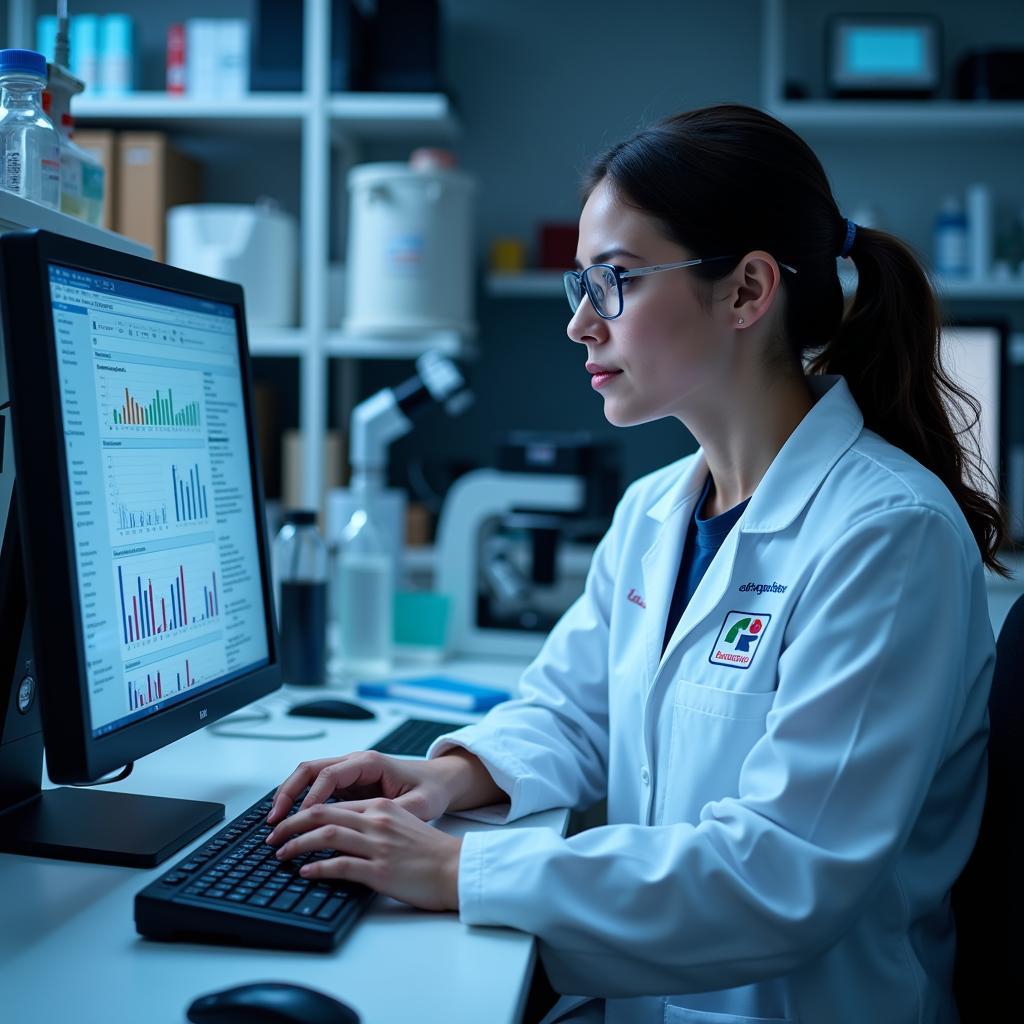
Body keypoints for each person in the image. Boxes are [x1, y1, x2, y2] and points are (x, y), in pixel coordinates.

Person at [265, 104, 1006, 1023]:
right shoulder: (655, 508)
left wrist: (462, 867)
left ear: (746, 292)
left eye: (614, 281)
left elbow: (782, 876)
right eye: (582, 283)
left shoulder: (887, 537)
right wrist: (452, 776)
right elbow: (575, 712)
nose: (581, 324)